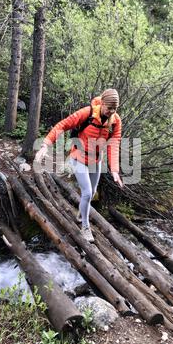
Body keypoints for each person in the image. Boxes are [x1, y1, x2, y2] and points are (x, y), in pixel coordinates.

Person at [34, 88, 123, 243]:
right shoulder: (86, 113)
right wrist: (45, 145)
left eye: (115, 109)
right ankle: (85, 227)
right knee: (87, 193)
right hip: (79, 157)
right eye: (109, 108)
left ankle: (82, 213)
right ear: (102, 103)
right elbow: (62, 125)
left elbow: (114, 145)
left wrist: (114, 170)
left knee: (93, 191)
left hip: (96, 161)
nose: (111, 112)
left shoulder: (115, 121)